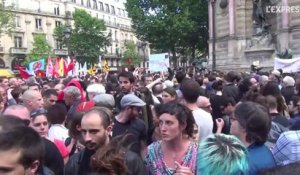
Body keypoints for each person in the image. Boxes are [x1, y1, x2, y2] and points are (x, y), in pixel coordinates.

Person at [65, 107, 146, 175]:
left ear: (108, 129)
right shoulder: (75, 163)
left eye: (93, 132)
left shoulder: (131, 161)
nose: (87, 138)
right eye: (84, 132)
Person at [218, 101, 276, 174]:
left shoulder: (242, 167)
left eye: (233, 119)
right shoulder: (264, 150)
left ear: (244, 127)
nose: (231, 123)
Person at [145, 102, 197, 175]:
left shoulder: (197, 153)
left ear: (183, 125)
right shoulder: (151, 152)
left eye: (169, 123)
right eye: (160, 122)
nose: (162, 128)